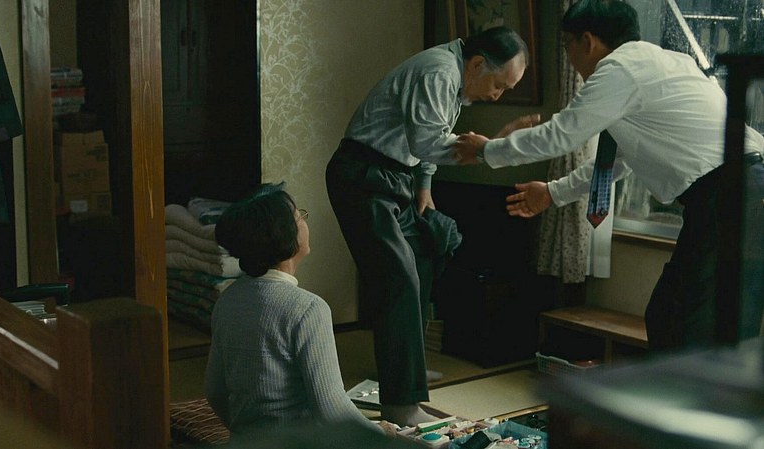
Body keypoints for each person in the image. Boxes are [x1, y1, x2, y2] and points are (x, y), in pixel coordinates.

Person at [454, 0, 764, 351]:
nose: (569, 58)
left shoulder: (620, 70)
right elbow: (613, 163)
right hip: (739, 192)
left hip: (732, 194)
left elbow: (561, 134)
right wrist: (553, 192)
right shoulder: (657, 64)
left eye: (567, 45)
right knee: (678, 316)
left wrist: (486, 150)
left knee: (692, 324)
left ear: (587, 41)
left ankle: (692, 387)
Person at [326, 26, 537, 427]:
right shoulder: (439, 72)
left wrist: (423, 185)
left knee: (425, 252)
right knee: (397, 277)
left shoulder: (455, 76)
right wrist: (492, 147)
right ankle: (400, 403)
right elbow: (426, 142)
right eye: (499, 85)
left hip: (395, 179)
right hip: (362, 176)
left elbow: (426, 139)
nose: (498, 96)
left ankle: (407, 368)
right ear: (477, 64)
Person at [205, 183, 383, 435]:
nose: (305, 222)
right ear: (285, 234)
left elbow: (215, 392)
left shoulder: (228, 300)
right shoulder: (308, 308)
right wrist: (383, 435)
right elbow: (333, 409)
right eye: (300, 216)